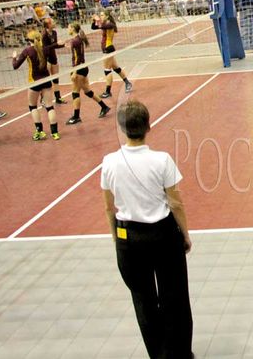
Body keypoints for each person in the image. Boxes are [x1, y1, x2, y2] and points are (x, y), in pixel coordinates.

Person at [101, 100, 194, 359]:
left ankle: (159, 354)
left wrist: (117, 240)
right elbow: (175, 202)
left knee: (143, 300)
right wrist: (184, 233)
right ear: (149, 126)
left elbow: (109, 208)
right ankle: (179, 354)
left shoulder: (109, 162)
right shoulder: (161, 160)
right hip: (163, 236)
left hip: (128, 238)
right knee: (174, 297)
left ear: (122, 128)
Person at [12, 30, 59, 141]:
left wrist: (14, 57)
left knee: (33, 106)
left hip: (34, 82)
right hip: (46, 80)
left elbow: (15, 66)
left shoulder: (27, 51)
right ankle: (55, 133)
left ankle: (40, 132)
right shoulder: (45, 49)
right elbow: (53, 61)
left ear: (29, 40)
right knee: (49, 106)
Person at [66, 23, 110, 124]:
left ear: (73, 29)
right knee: (87, 91)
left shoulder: (75, 41)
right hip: (84, 68)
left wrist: (74, 72)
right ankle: (104, 107)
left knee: (75, 92)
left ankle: (76, 117)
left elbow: (77, 58)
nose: (67, 29)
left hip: (79, 69)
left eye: (69, 27)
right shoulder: (79, 39)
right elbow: (79, 54)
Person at [91, 11, 133, 98]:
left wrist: (98, 20)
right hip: (107, 49)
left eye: (102, 15)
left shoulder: (109, 24)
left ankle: (108, 91)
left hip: (108, 49)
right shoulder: (105, 24)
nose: (101, 16)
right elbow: (93, 27)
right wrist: (93, 20)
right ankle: (127, 83)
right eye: (100, 15)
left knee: (107, 70)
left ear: (107, 16)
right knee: (116, 68)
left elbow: (101, 26)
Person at [42, 18, 66, 104]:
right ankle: (43, 99)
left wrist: (63, 45)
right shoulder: (44, 34)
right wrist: (56, 44)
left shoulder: (54, 32)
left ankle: (58, 98)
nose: (55, 23)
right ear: (48, 25)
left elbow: (54, 46)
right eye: (52, 22)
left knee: (56, 79)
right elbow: (45, 48)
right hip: (46, 59)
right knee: (47, 81)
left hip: (53, 57)